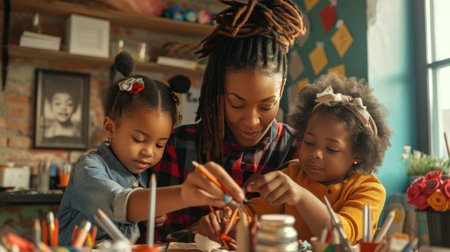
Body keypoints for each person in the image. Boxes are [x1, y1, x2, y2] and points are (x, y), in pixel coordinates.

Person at [152, 0, 306, 239]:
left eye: (266, 106)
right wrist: (195, 233)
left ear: (282, 88)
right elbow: (146, 239)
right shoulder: (177, 147)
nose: (252, 121)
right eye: (237, 104)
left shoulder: (299, 150)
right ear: (218, 90)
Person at [57, 52, 245, 244]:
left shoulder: (145, 176)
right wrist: (183, 194)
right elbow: (120, 203)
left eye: (159, 144)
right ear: (110, 128)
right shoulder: (88, 168)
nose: (149, 152)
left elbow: (135, 212)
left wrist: (150, 216)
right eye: (138, 139)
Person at [198, 73, 392, 244]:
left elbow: (340, 238)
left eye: (332, 149)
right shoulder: (292, 174)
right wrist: (227, 220)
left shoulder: (369, 190)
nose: (315, 153)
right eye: (308, 142)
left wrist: (299, 196)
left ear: (358, 155)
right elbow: (254, 216)